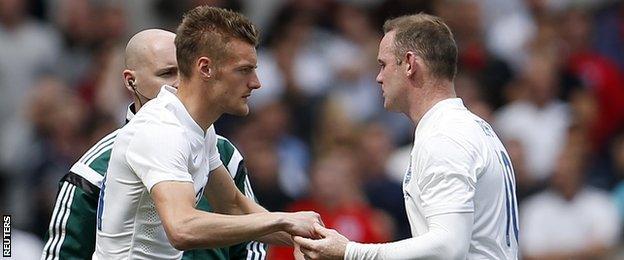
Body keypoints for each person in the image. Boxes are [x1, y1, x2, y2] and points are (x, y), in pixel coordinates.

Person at [95, 6, 320, 259]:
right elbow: (182, 228)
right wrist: (282, 221)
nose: (256, 82)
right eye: (244, 70)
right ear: (205, 68)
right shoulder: (161, 130)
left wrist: (322, 242)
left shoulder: (197, 126)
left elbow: (233, 206)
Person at [294, 13, 519, 259]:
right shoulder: (469, 128)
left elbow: (448, 247)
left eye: (383, 64)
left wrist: (349, 252)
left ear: (410, 64)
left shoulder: (445, 137)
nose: (378, 77)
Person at [41, 29, 267, 259]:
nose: (181, 83)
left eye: (185, 71)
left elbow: (248, 234)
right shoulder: (94, 169)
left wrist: (298, 228)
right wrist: (285, 221)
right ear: (131, 82)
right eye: (168, 73)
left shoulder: (222, 151)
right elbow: (63, 255)